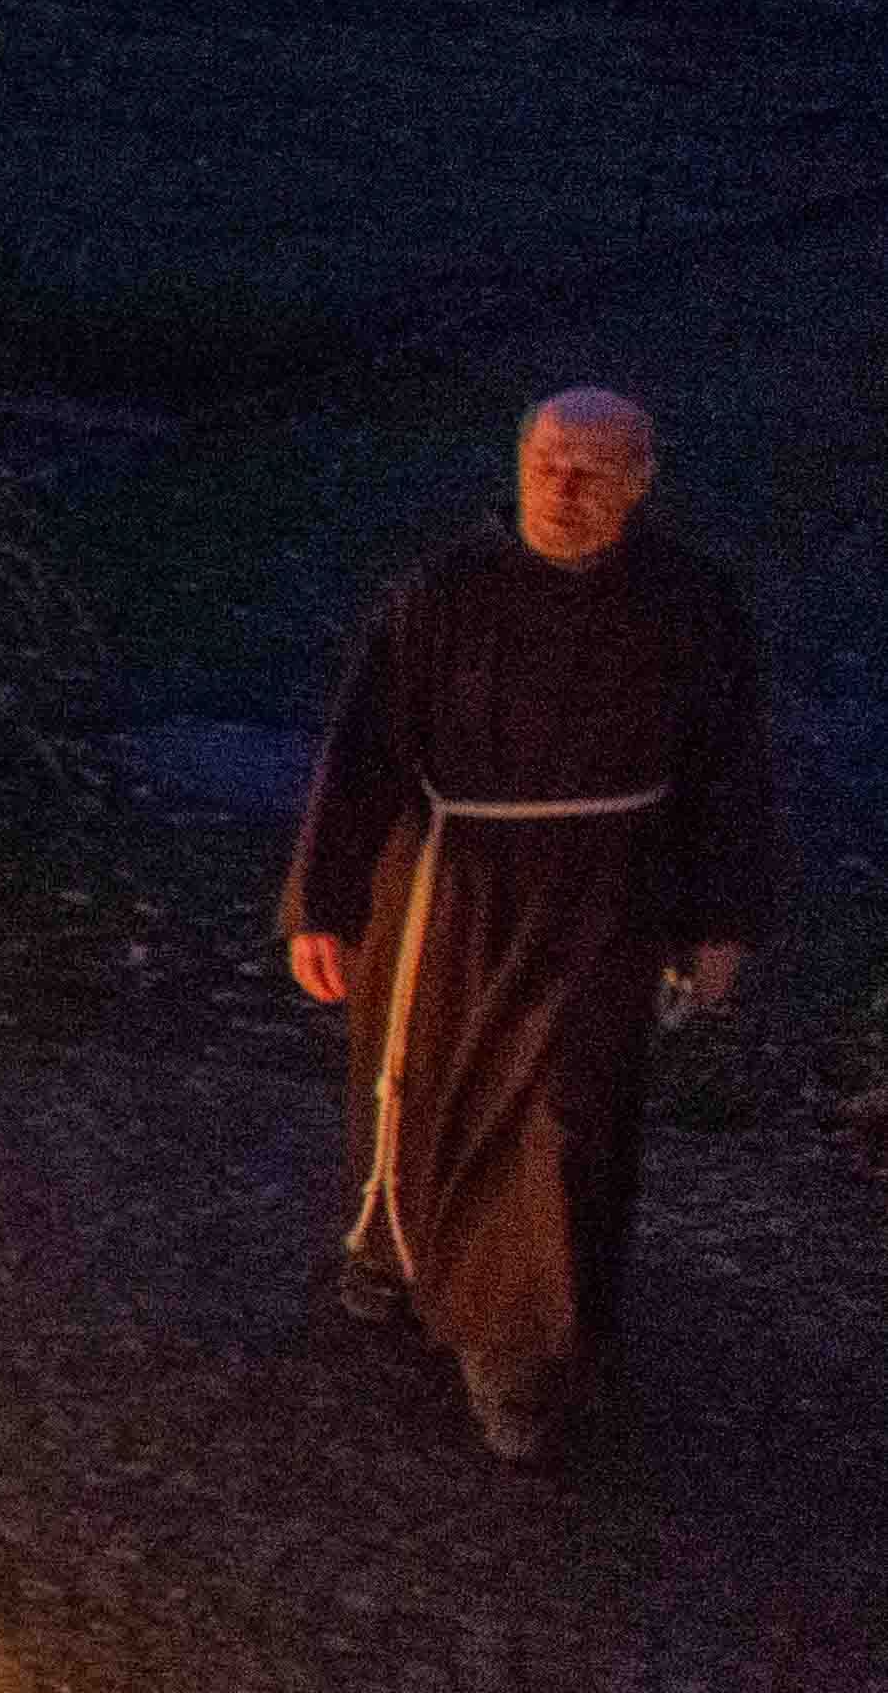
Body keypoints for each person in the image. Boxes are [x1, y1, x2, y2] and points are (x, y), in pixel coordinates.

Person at [280, 387, 775, 1462]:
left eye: (592, 470)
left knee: (558, 1118)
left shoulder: (689, 607)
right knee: (416, 1079)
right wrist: (322, 902)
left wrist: (719, 923)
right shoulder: (443, 593)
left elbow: (730, 774)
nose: (563, 487)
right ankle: (395, 1245)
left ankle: (518, 1356)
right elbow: (362, 749)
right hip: (448, 886)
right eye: (546, 461)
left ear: (640, 482)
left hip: (604, 897)